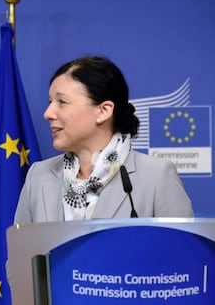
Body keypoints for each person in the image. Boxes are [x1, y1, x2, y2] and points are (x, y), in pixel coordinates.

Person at [14, 55, 194, 224]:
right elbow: (19, 256)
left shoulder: (156, 176)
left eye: (62, 102)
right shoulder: (38, 176)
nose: (48, 114)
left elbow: (183, 254)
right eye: (50, 102)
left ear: (103, 111)